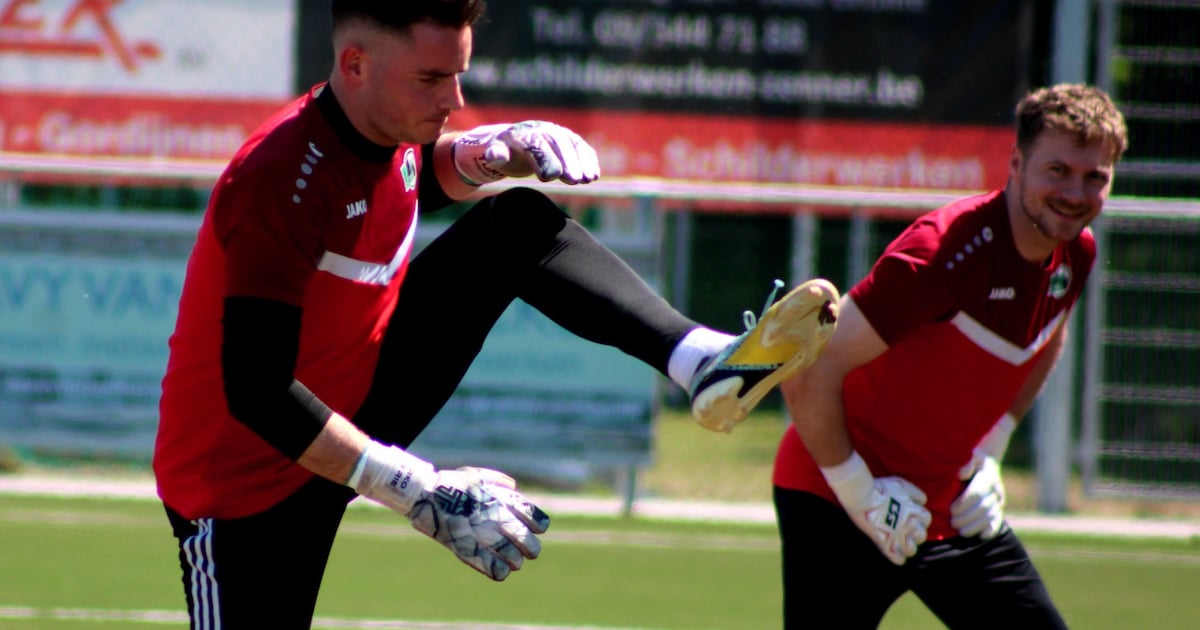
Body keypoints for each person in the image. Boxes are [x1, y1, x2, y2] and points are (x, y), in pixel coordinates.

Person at [152, 1, 839, 627]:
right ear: (354, 64)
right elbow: (258, 390)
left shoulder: (379, 123)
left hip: (355, 398)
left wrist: (496, 153)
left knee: (516, 225)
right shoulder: (279, 179)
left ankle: (701, 361)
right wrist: (417, 488)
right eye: (432, 78)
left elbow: (410, 177)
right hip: (245, 481)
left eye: (458, 75)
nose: (453, 99)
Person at [773, 83, 1127, 629]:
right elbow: (809, 371)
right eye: (1057, 170)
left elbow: (1047, 334)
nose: (1075, 193)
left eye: (1094, 177)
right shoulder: (942, 253)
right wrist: (862, 496)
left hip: (952, 511)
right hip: (838, 497)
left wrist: (991, 450)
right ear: (1016, 163)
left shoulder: (1076, 251)